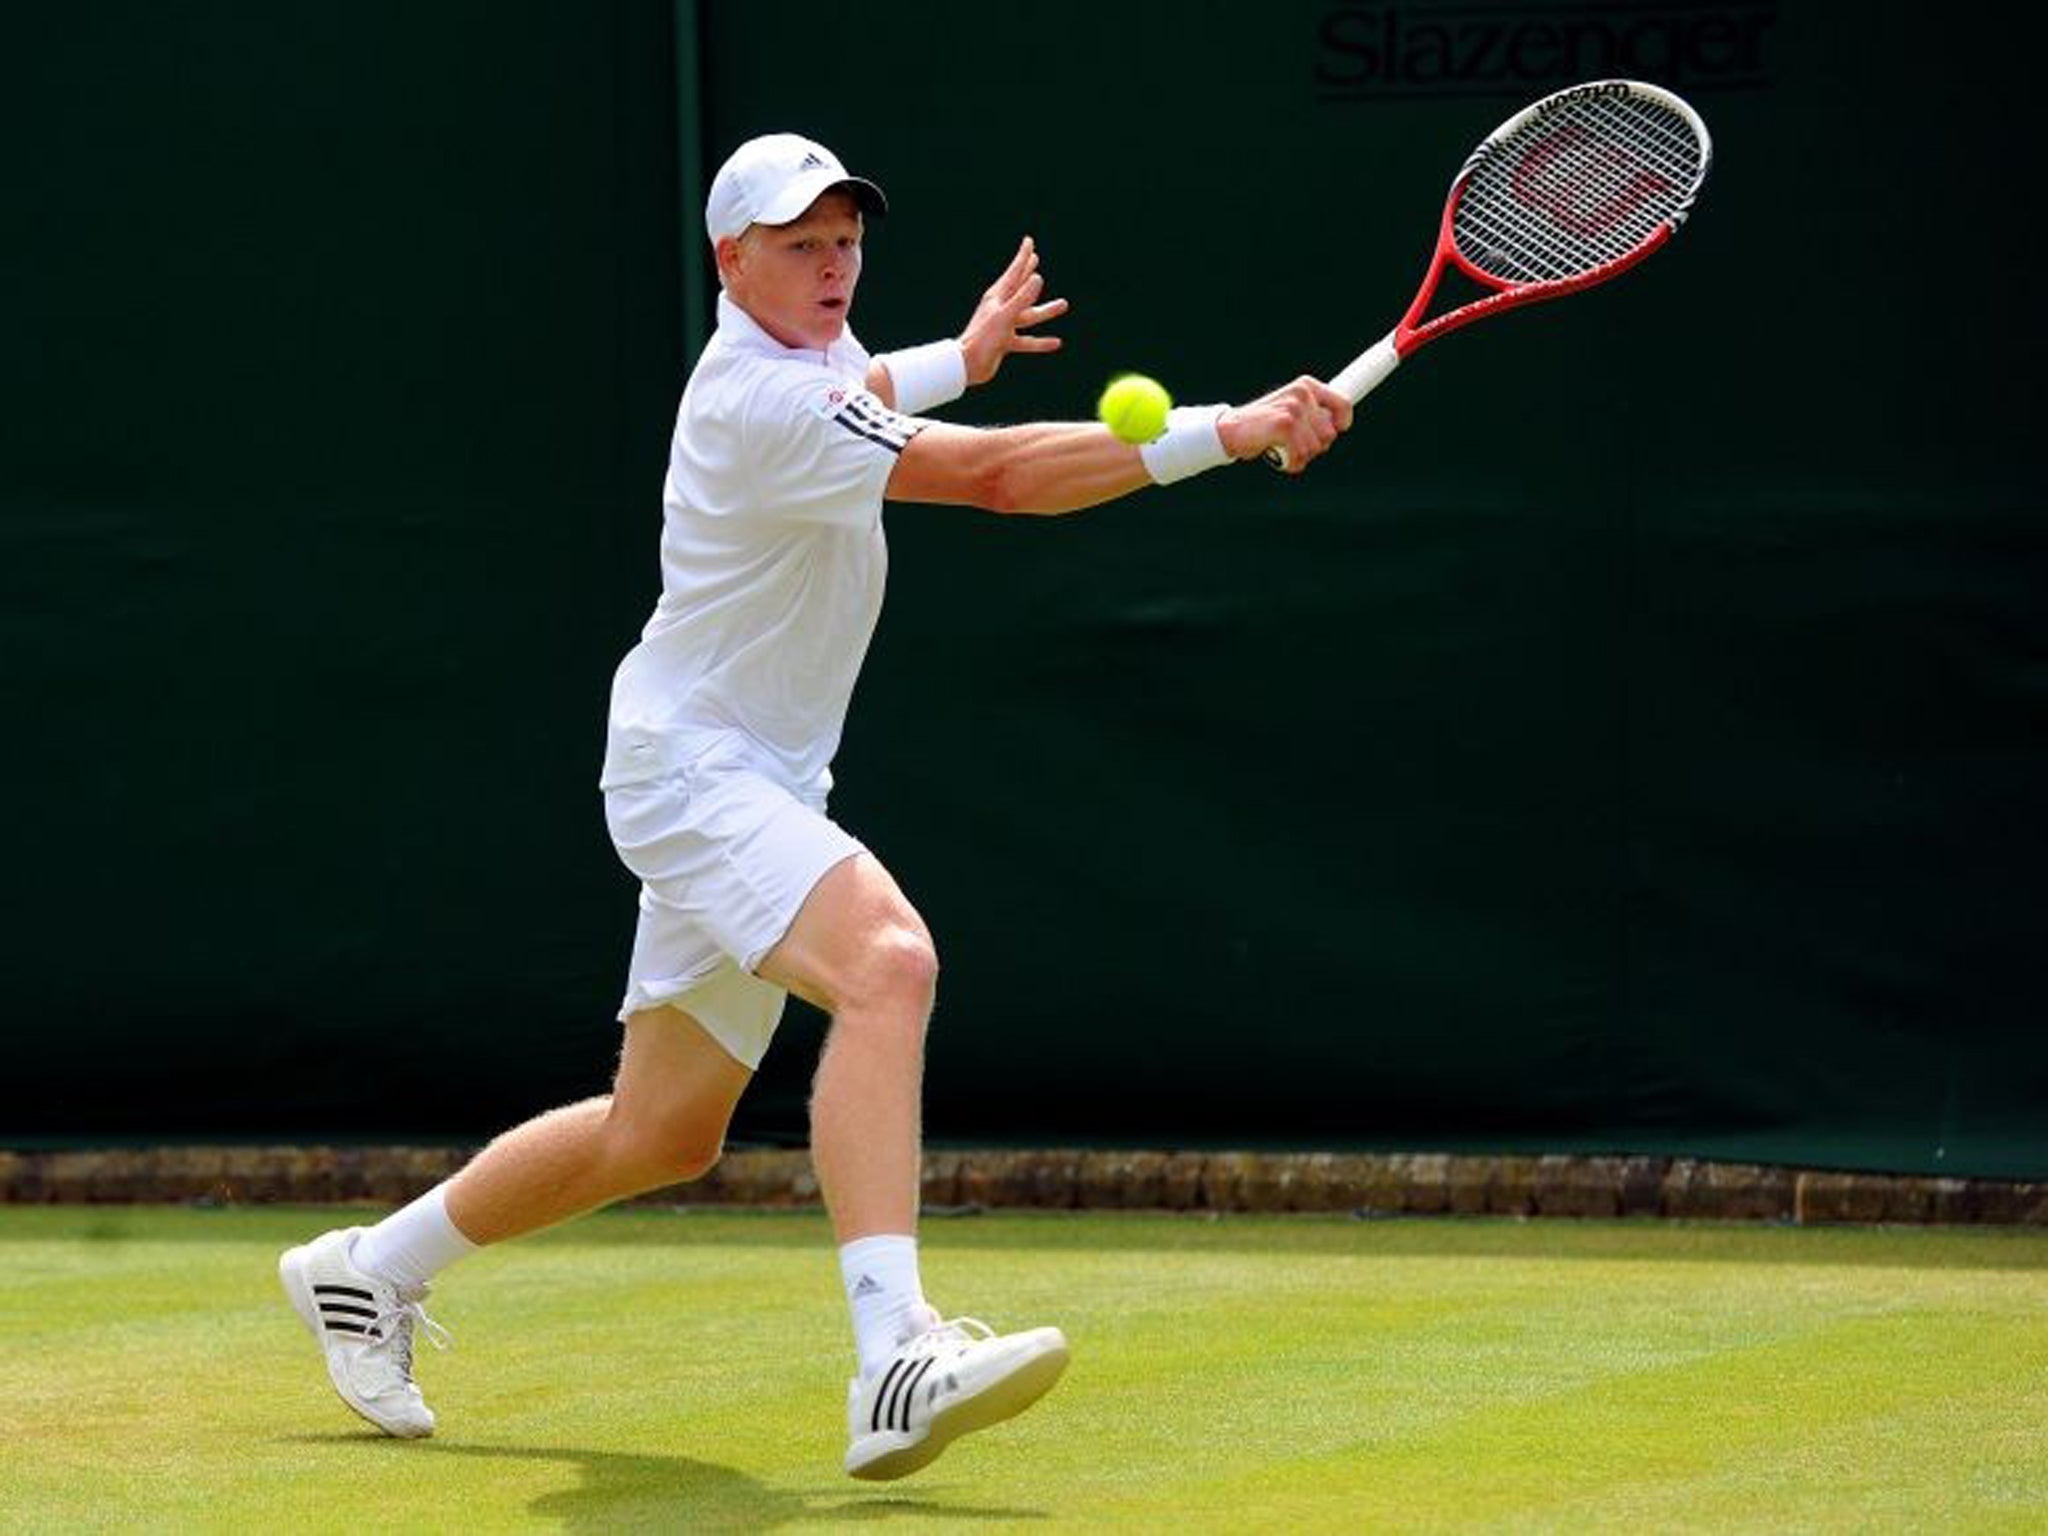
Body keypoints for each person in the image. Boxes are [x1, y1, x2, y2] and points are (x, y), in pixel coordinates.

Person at [279, 132, 1352, 1480]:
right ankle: (894, 1352)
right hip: (697, 769)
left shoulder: (815, 361)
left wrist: (960, 357)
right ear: (733, 261)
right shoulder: (762, 404)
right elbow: (998, 478)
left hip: (744, 767)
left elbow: (882, 380)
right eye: (800, 243)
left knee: (659, 1133)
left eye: (847, 238)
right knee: (890, 965)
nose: (835, 262)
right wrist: (1232, 432)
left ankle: (366, 1271)